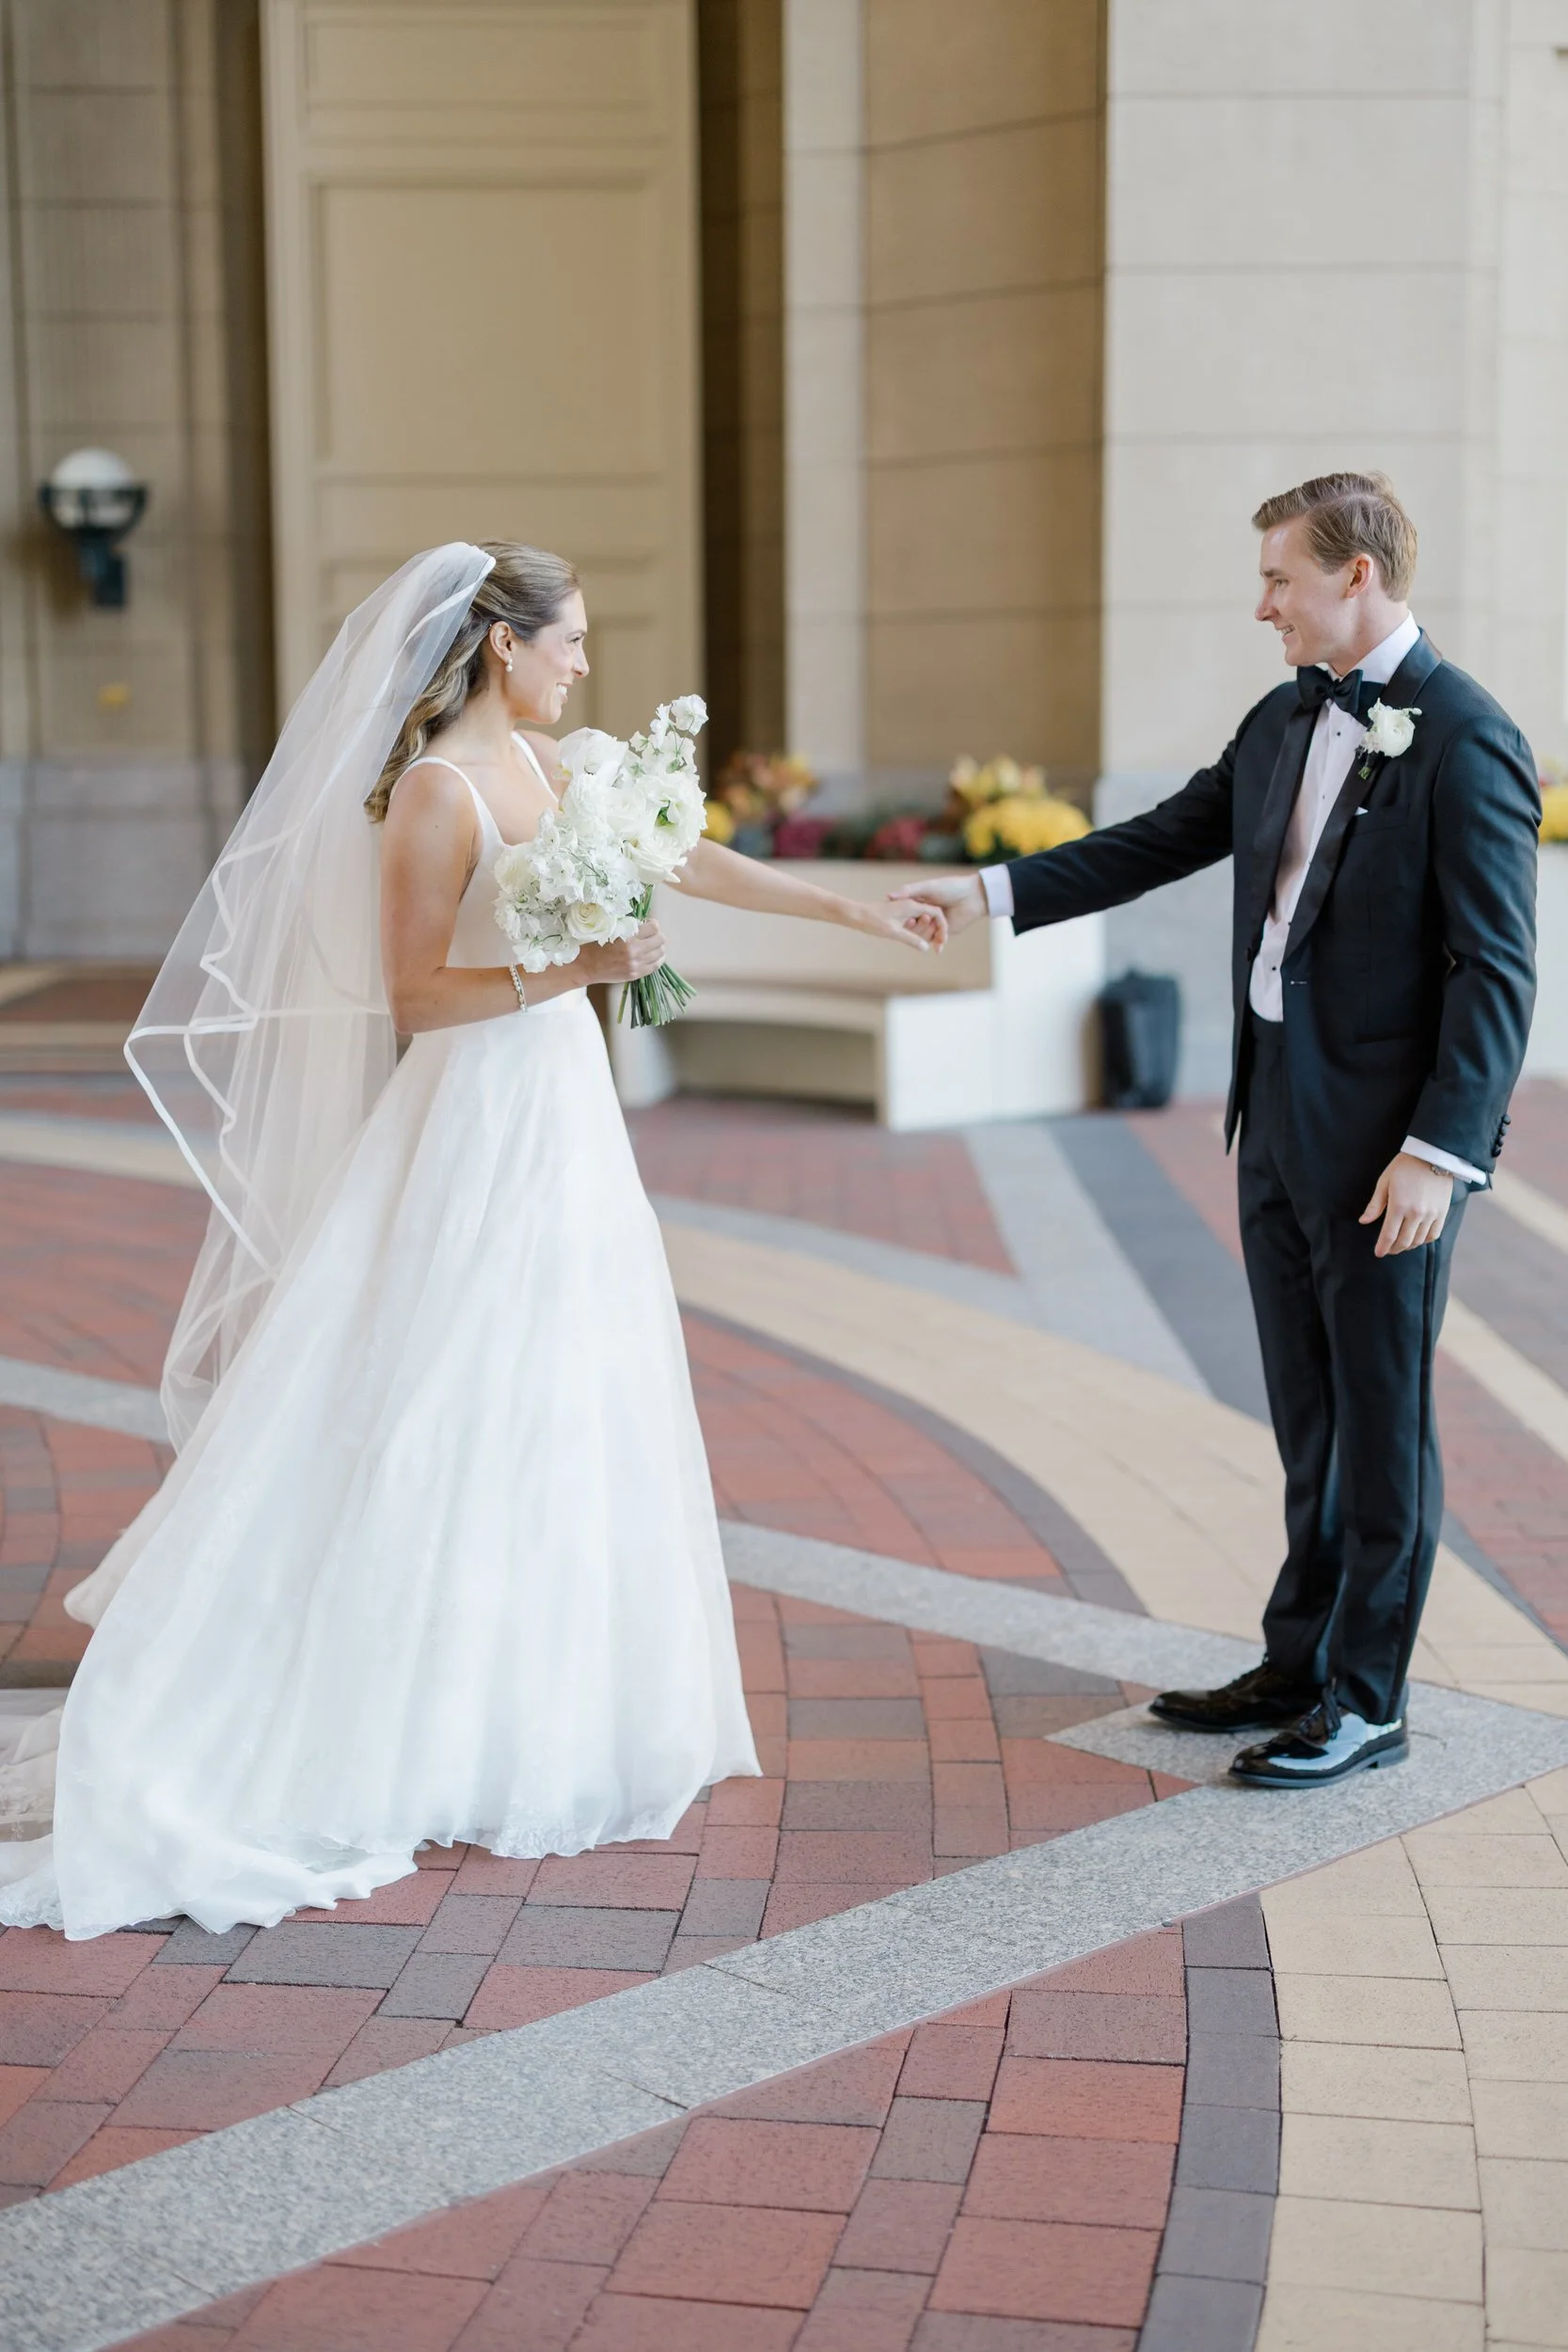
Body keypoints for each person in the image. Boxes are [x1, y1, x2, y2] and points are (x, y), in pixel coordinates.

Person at [0, 542, 942, 1937]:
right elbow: (416, 997)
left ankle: (539, 1698)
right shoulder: (436, 792)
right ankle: (394, 1706)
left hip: (564, 1117)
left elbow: (691, 858)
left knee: (564, 1392)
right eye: (568, 642)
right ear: (502, 646)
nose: (582, 665)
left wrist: (850, 909)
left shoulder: (561, 775)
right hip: (473, 1122)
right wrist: (581, 964)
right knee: (442, 1389)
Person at [895, 474, 1539, 1787]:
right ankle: (1293, 1661)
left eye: (1279, 581)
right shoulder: (1281, 714)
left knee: (1378, 1419)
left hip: (1389, 1154)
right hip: (1277, 1117)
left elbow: (1495, 970)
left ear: (1354, 577)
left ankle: (1366, 1699)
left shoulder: (1465, 738)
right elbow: (1155, 841)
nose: (1262, 607)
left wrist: (1439, 1151)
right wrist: (980, 893)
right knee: (1304, 1415)